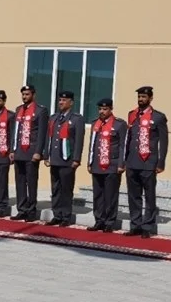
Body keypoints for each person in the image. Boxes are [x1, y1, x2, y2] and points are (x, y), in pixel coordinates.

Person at [124, 86, 168, 238]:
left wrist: (161, 162)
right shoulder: (132, 114)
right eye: (139, 97)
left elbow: (164, 142)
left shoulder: (158, 117)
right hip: (132, 161)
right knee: (133, 196)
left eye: (143, 97)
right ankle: (135, 224)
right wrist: (124, 160)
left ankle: (147, 226)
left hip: (149, 163)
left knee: (149, 196)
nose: (141, 99)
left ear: (150, 98)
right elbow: (128, 138)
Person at [86, 98, 128, 232]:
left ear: (111, 109)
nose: (102, 112)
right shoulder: (95, 123)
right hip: (97, 164)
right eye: (100, 109)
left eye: (105, 109)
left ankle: (109, 222)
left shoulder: (119, 124)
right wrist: (89, 162)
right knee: (98, 195)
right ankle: (99, 220)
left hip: (112, 165)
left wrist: (121, 164)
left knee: (110, 195)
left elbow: (123, 146)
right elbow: (92, 145)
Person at [43, 91, 84, 226]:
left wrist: (76, 159)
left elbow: (78, 141)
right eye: (60, 100)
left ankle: (66, 216)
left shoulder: (76, 119)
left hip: (67, 160)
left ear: (71, 103)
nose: (61, 102)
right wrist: (46, 155)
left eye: (64, 100)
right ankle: (57, 214)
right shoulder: (54, 118)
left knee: (66, 189)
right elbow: (49, 138)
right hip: (55, 159)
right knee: (56, 189)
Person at [10, 85, 48, 222]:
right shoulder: (18, 110)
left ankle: (31, 210)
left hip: (31, 153)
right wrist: (12, 150)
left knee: (31, 183)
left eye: (27, 94)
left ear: (33, 95)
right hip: (19, 152)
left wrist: (38, 152)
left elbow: (42, 133)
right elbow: (15, 132)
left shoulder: (40, 111)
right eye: (23, 94)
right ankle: (21, 209)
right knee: (20, 182)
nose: (24, 97)